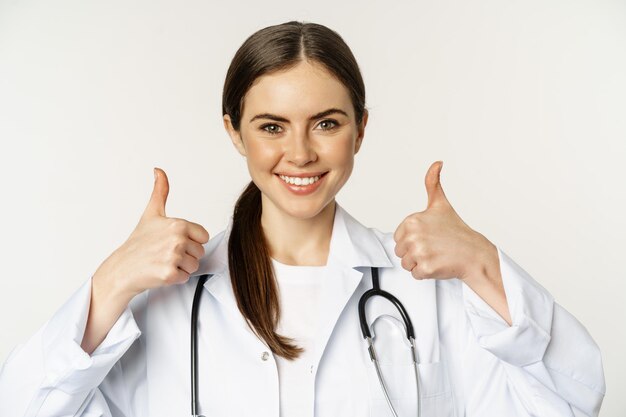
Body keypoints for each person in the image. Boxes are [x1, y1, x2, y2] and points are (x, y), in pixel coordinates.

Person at [0, 20, 605, 417]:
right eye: (271, 127)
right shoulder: (166, 296)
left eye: (327, 123)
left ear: (360, 130)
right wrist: (110, 284)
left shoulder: (426, 291)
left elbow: (575, 399)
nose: (300, 154)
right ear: (234, 131)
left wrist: (483, 264)